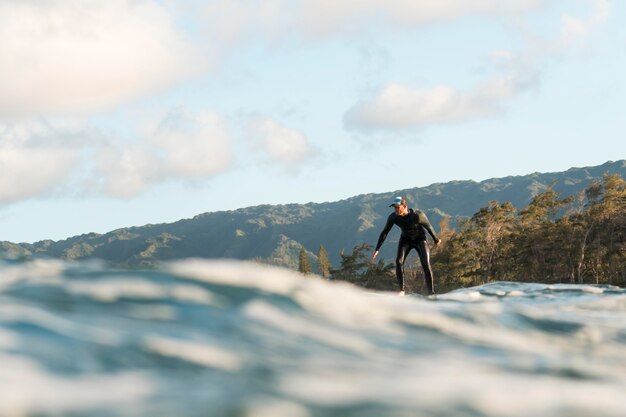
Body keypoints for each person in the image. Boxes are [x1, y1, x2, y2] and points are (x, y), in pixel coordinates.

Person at [371, 196, 441, 295]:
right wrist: (377, 249)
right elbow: (385, 232)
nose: (396, 209)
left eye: (398, 207)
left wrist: (436, 239)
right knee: (399, 261)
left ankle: (431, 292)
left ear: (405, 206)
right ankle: (402, 290)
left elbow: (429, 227)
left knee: (425, 263)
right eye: (394, 207)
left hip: (420, 240)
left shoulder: (417, 215)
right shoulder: (393, 217)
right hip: (405, 240)